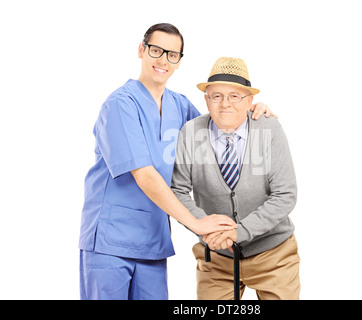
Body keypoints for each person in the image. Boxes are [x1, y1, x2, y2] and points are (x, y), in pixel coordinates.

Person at [78, 23, 275, 300]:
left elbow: (219, 127)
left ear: (179, 62)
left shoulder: (179, 106)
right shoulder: (120, 104)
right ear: (141, 50)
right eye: (156, 50)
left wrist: (250, 108)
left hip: (152, 242)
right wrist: (197, 223)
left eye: (173, 55)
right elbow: (144, 174)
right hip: (111, 242)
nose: (163, 60)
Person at [171, 57, 300, 300]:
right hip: (217, 257)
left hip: (273, 254)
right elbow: (177, 191)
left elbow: (285, 195)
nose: (225, 103)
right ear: (206, 100)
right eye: (216, 96)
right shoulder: (190, 132)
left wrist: (239, 232)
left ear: (250, 100)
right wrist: (206, 227)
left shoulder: (268, 128)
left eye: (234, 96)